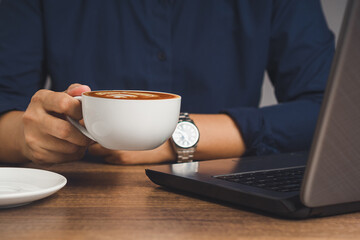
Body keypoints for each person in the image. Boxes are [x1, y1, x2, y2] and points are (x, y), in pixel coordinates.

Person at [0, 0, 334, 165]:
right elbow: (6, 111)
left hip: (228, 197)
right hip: (78, 195)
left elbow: (332, 114)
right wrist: (27, 136)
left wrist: (173, 137)